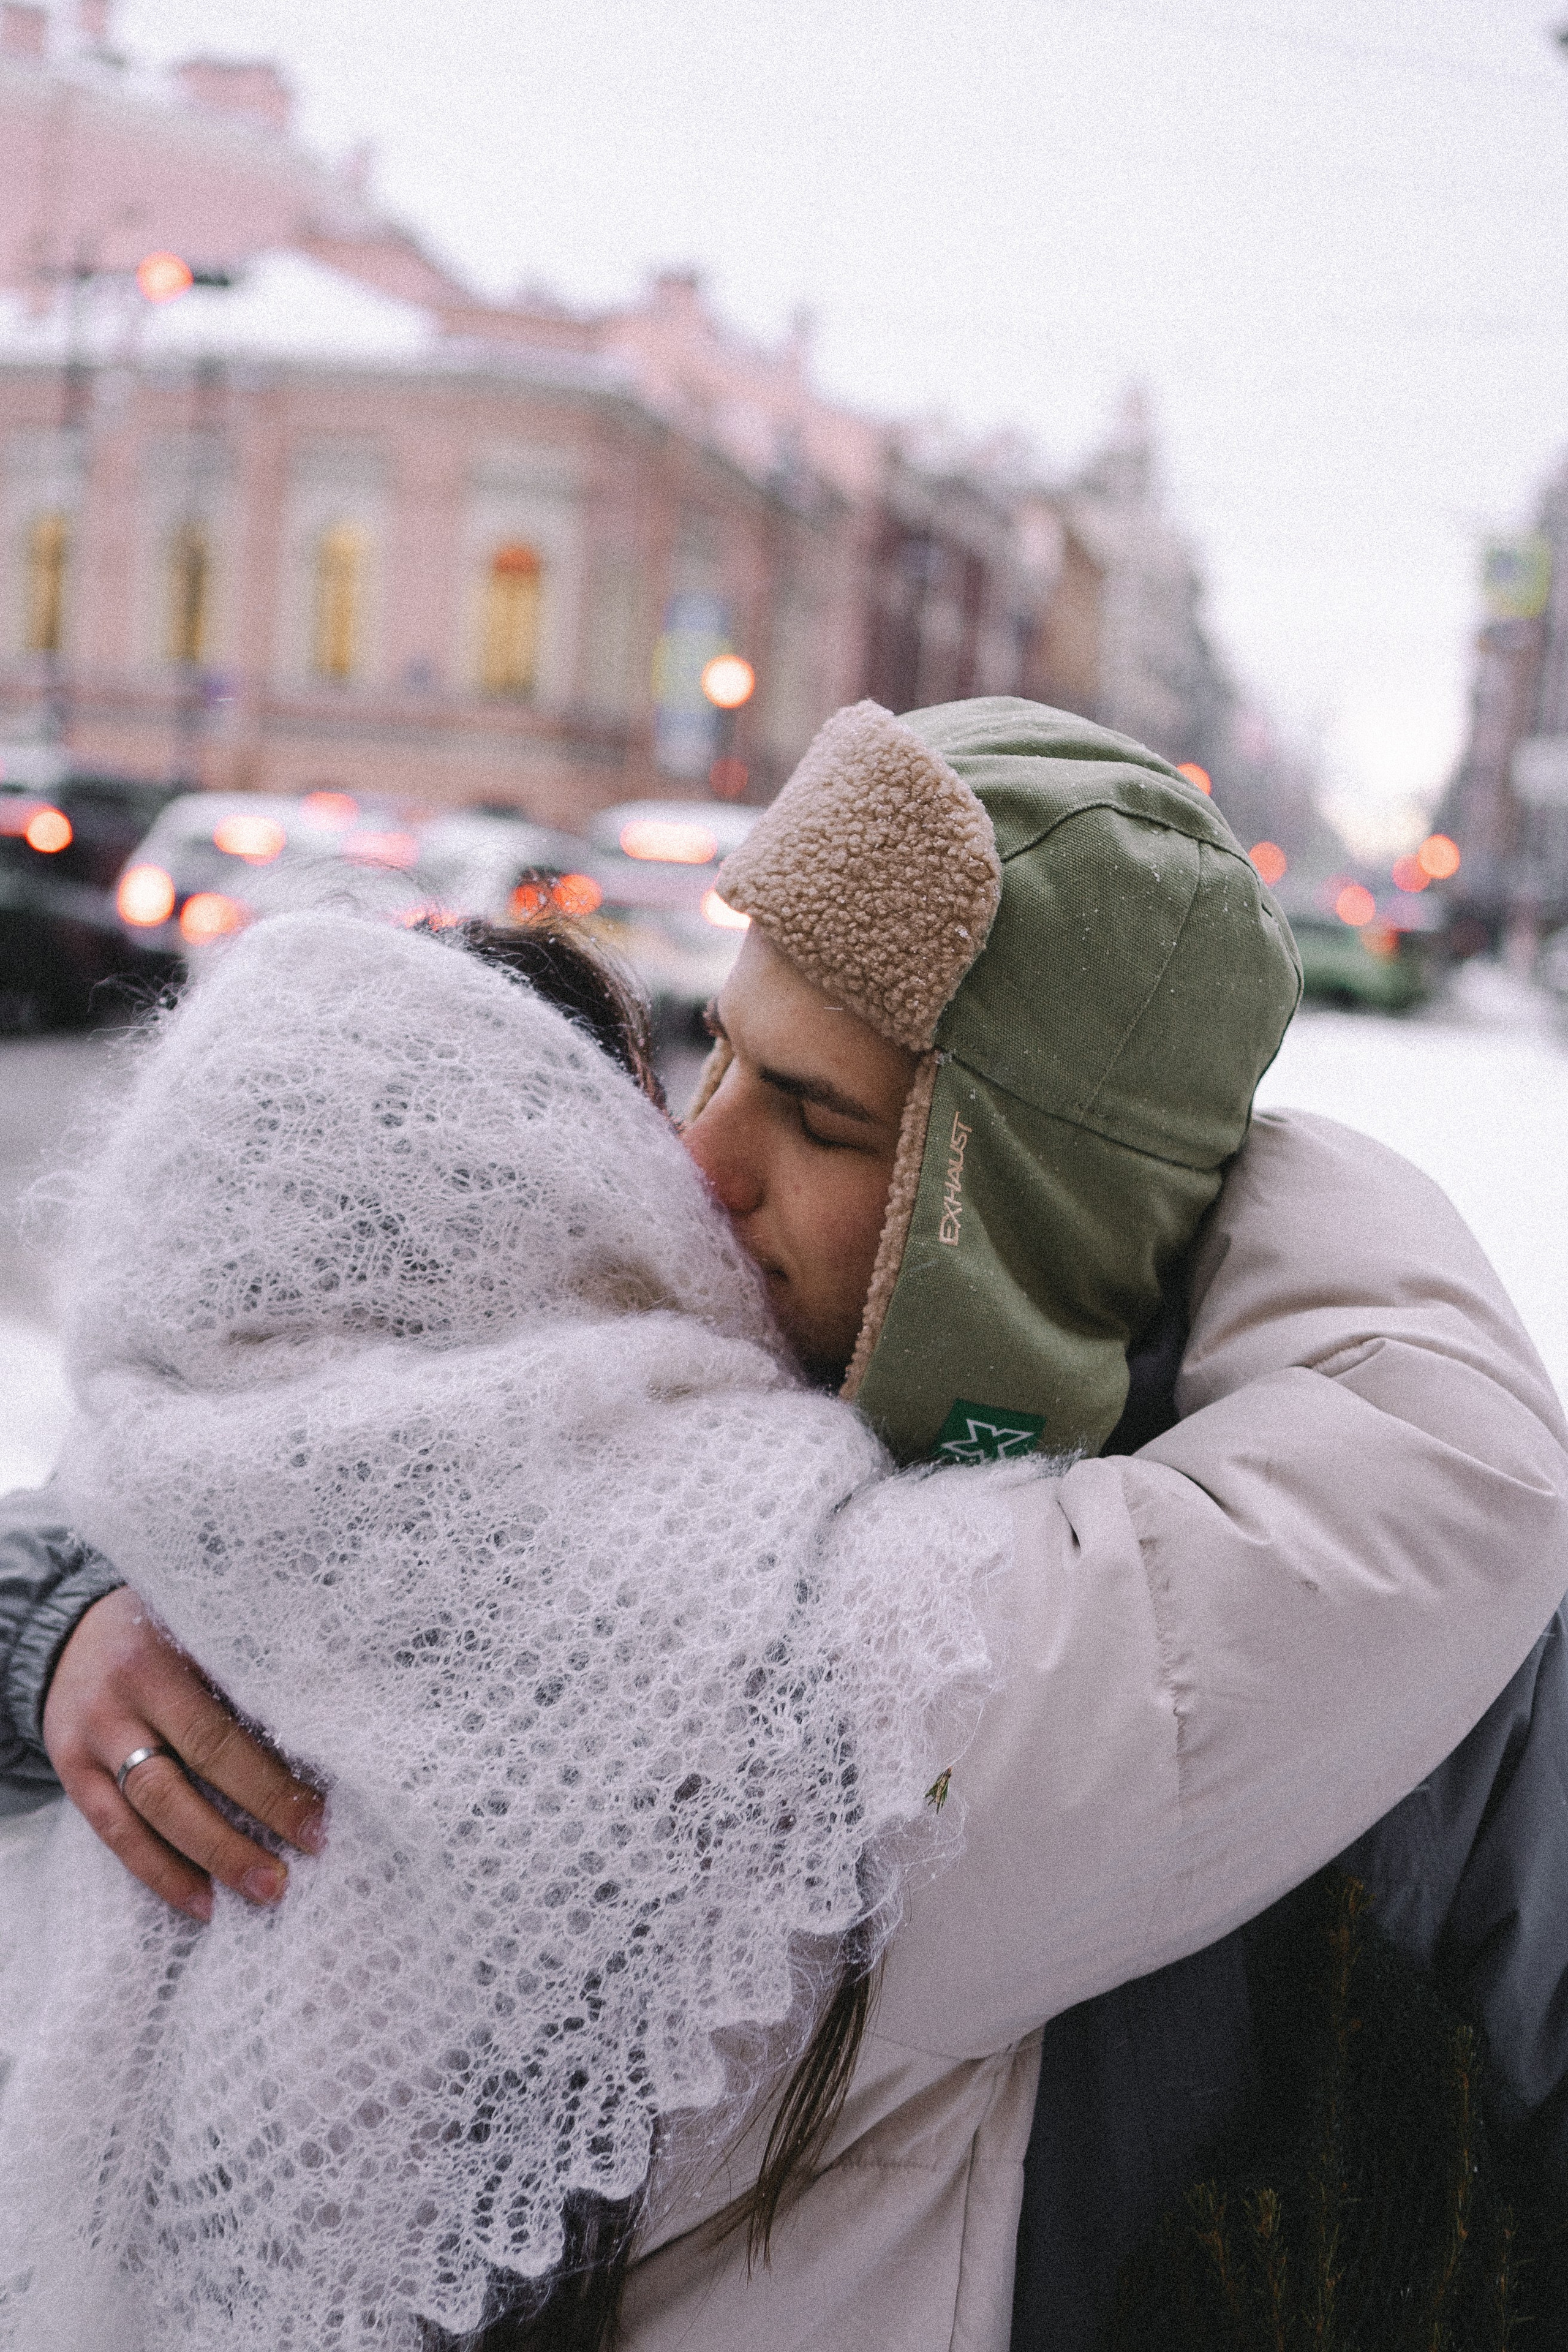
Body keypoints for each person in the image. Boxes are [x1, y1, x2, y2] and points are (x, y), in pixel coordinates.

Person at [0, 696, 1564, 2351]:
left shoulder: (1083, 1630)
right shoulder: (656, 1463)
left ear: (1028, 1195)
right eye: (722, 1052)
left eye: (820, 1118)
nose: (699, 1157)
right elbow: (258, 1464)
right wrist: (62, 1612)